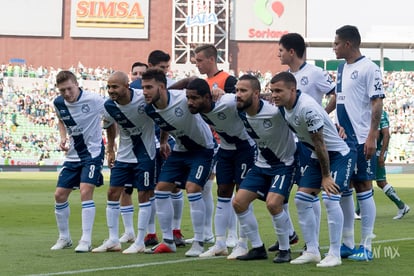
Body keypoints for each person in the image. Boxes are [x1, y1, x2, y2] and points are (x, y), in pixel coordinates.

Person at [271, 71, 355, 267]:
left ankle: (335, 253)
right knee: (301, 200)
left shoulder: (307, 108)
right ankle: (312, 250)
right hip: (317, 154)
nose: (274, 95)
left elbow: (321, 144)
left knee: (330, 197)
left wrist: (325, 176)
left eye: (278, 91)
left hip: (338, 154)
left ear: (293, 90)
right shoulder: (283, 106)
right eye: (272, 91)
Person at [142, 68, 215, 256]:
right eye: (143, 87)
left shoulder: (183, 98)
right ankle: (168, 241)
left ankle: (199, 241)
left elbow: (195, 82)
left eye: (149, 87)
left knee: (193, 188)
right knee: (160, 190)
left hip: (202, 149)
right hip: (180, 150)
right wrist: (164, 140)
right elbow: (166, 121)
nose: (145, 91)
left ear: (162, 87)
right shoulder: (150, 108)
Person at [184, 78, 256, 259]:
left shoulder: (227, 101)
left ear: (207, 97)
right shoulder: (198, 109)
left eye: (194, 98)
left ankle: (242, 243)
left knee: (242, 197)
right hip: (225, 150)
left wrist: (223, 92)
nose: (190, 102)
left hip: (244, 149)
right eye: (188, 98)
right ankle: (220, 243)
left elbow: (244, 98)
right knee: (222, 193)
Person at [333, 25, 385, 261]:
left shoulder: (370, 68)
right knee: (344, 188)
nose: (333, 47)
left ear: (348, 44)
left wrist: (372, 136)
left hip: (361, 137)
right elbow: (339, 99)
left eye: (336, 43)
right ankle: (347, 243)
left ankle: (366, 246)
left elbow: (377, 103)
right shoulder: (341, 68)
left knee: (364, 187)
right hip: (342, 140)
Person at [232, 74, 296, 263]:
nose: (238, 94)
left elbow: (299, 118)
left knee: (273, 204)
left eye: (243, 91)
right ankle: (258, 248)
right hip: (260, 165)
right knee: (238, 203)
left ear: (256, 94)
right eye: (236, 90)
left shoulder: (276, 112)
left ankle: (285, 250)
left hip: (284, 165)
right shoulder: (239, 109)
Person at [91, 71, 156, 254]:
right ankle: (113, 240)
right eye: (109, 87)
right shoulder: (109, 106)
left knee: (144, 195)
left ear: (126, 86)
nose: (111, 90)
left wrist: (164, 141)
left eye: (115, 87)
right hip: (124, 156)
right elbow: (109, 125)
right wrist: (110, 149)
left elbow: (161, 117)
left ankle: (140, 240)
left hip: (145, 154)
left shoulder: (143, 99)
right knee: (112, 193)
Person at [50, 70, 105, 252]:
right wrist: (63, 137)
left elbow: (111, 117)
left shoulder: (94, 100)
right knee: (59, 195)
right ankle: (64, 238)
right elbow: (60, 120)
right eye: (62, 91)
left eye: (69, 89)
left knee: (85, 191)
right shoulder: (58, 103)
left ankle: (86, 240)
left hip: (93, 153)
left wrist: (111, 146)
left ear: (76, 84)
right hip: (73, 155)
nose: (66, 94)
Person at [355, 110, 410, 220]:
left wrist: (381, 155)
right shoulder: (373, 112)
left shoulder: (378, 113)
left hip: (375, 152)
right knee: (379, 182)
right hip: (374, 152)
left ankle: (358, 211)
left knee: (366, 180)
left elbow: (386, 135)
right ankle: (401, 206)